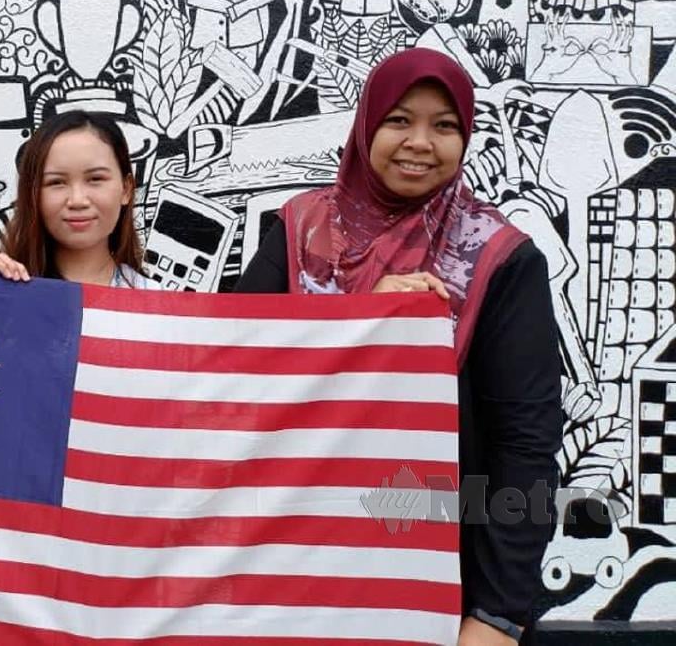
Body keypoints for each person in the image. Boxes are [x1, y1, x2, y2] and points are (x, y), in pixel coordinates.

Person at [235, 48, 563, 645]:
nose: (420, 142)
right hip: (286, 568)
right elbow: (236, 374)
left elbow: (525, 441)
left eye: (445, 126)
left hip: (435, 579)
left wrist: (497, 615)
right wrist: (366, 319)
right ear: (366, 126)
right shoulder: (299, 228)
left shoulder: (500, 258)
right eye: (399, 120)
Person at [0, 110, 156, 289]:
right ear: (33, 194)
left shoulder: (157, 304)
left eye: (95, 179)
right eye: (56, 182)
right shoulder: (1, 292)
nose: (77, 200)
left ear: (126, 189)